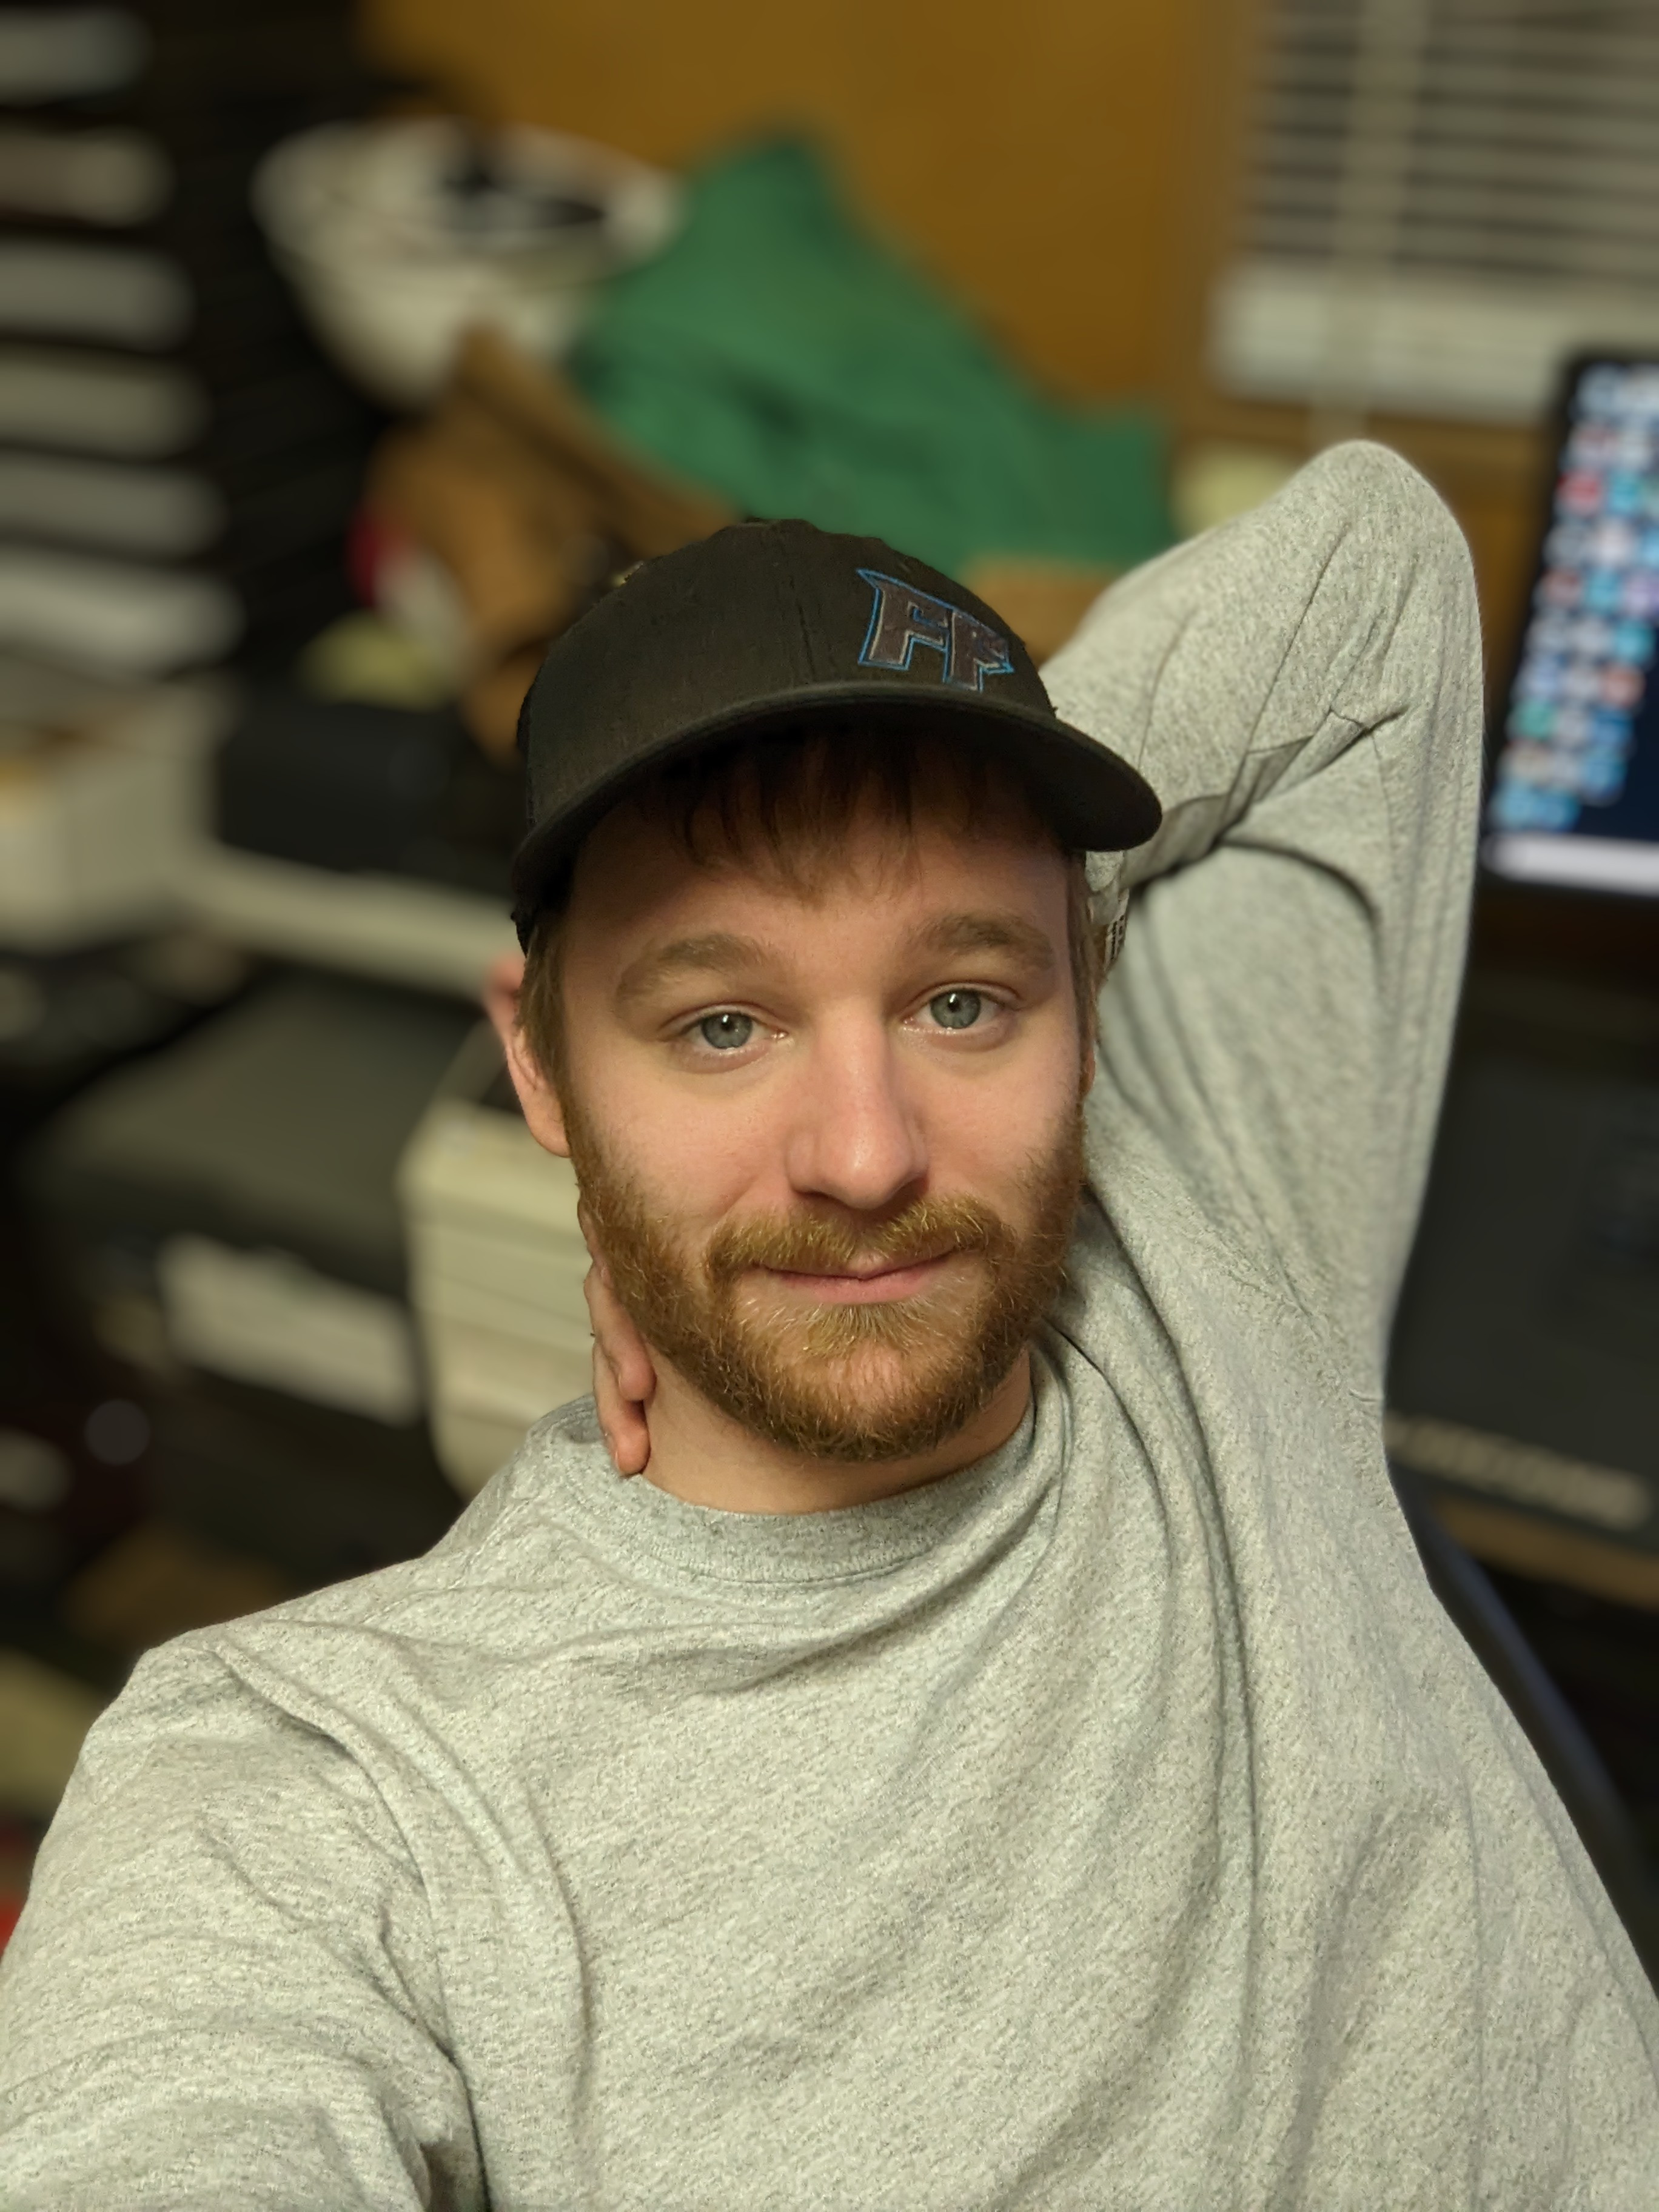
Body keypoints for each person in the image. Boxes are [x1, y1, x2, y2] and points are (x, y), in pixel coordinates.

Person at [1, 444, 1655, 2209]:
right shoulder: (319, 1783)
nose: (865, 1158)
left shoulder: (1217, 1242)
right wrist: (943, 927)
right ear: (541, 1064)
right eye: (722, 1026)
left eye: (963, 1003)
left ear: (1087, 1005)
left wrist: (1012, 860)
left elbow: (1371, 571)